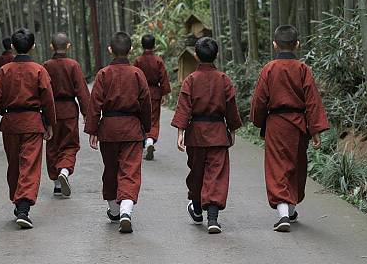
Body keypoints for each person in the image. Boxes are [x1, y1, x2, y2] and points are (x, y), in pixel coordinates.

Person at [250, 25, 330, 232]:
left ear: (275, 44)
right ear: (297, 45)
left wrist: (258, 121)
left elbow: (260, 99)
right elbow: (312, 101)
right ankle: (290, 210)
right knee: (296, 166)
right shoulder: (303, 69)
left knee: (277, 166)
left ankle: (285, 214)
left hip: (276, 124)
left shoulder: (269, 69)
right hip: (298, 124)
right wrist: (315, 130)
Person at [171, 37, 242, 234]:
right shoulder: (223, 79)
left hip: (196, 135)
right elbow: (231, 107)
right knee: (216, 175)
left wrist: (180, 132)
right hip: (218, 133)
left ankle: (196, 207)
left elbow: (184, 107)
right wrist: (232, 129)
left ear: (195, 55)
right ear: (216, 55)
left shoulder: (191, 80)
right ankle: (212, 219)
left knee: (197, 173)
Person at [85, 32, 152, 234]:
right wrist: (146, 126)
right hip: (131, 128)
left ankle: (114, 209)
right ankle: (125, 210)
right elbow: (146, 103)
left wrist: (93, 129)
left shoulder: (103, 74)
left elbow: (95, 103)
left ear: (110, 50)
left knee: (111, 168)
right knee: (130, 170)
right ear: (131, 50)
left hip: (109, 129)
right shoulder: (137, 74)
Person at [0, 28, 56, 229]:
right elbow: (47, 99)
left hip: (11, 122)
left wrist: (5, 112)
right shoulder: (39, 70)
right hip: (32, 122)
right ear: (33, 47)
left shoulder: (5, 70)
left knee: (14, 164)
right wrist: (49, 123)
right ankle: (23, 207)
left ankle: (18, 201)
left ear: (12, 46)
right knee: (29, 164)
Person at [43, 32, 90, 197]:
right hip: (69, 109)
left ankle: (56, 184)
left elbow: (41, 92)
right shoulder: (73, 65)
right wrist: (87, 114)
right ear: (68, 46)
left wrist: (42, 114)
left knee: (52, 145)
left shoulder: (46, 66)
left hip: (52, 110)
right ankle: (64, 170)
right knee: (69, 144)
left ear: (51, 46)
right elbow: (82, 91)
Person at [133, 34, 171, 160]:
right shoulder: (158, 60)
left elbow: (134, 78)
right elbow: (163, 78)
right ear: (154, 45)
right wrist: (164, 93)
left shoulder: (138, 61)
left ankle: (144, 140)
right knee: (153, 119)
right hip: (155, 93)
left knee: (141, 117)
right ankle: (150, 140)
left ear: (142, 45)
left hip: (141, 93)